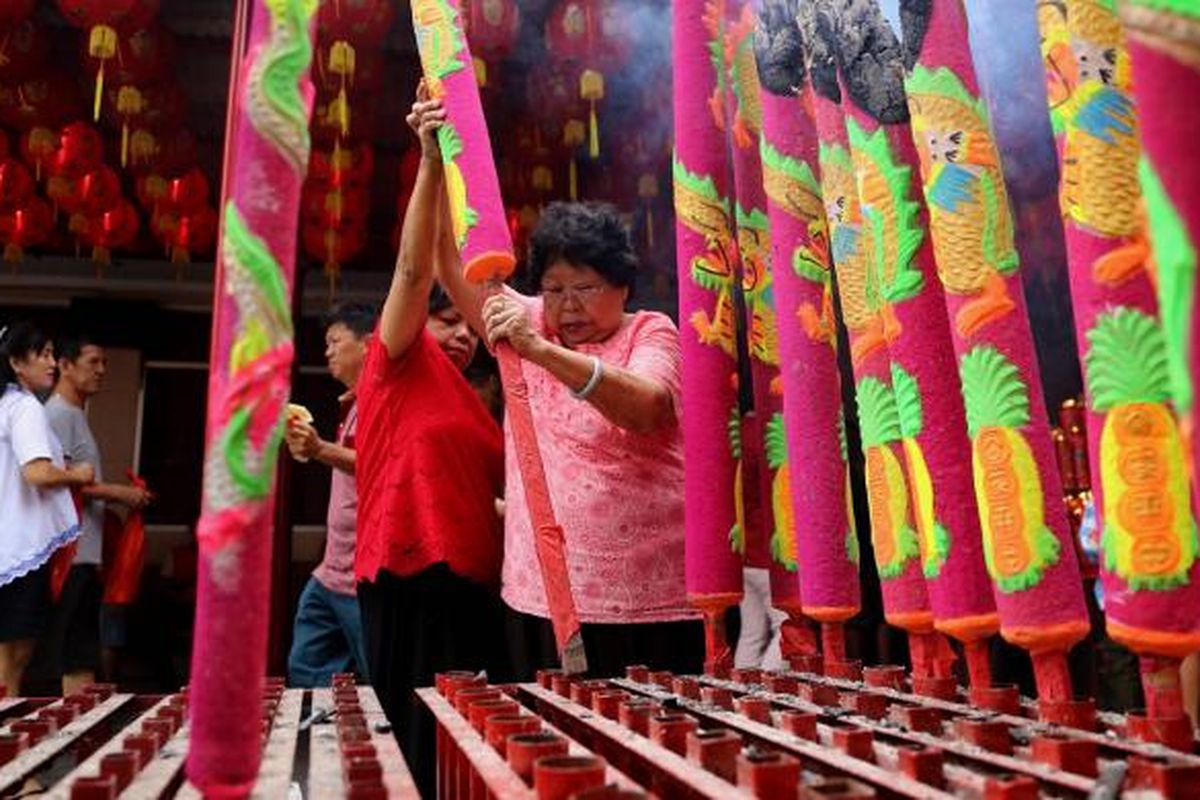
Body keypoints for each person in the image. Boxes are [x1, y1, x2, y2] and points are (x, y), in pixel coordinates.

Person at [413, 107, 703, 679]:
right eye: (552, 290)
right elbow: (450, 262)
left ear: (622, 286)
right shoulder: (529, 322)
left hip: (651, 604)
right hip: (544, 596)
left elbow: (648, 406)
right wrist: (437, 150)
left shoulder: (649, 330)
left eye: (584, 288)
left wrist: (542, 353)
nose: (566, 306)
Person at [354, 80, 505, 793]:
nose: (460, 335)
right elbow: (419, 267)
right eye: (447, 320)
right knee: (413, 751)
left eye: (463, 323)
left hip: (476, 585)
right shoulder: (396, 360)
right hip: (409, 576)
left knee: (470, 749)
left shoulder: (482, 408)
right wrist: (432, 157)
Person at [43, 333, 152, 695]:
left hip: (83, 553)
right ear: (64, 365)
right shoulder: (58, 415)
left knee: (82, 652)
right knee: (73, 652)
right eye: (93, 362)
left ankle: (76, 732)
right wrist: (121, 494)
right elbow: (57, 480)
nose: (102, 371)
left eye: (104, 362)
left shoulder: (74, 415)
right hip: (68, 556)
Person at [284, 302, 376, 687]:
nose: (328, 352)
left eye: (335, 341)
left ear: (369, 345)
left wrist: (319, 448)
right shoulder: (353, 402)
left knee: (379, 676)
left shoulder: (380, 400)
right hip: (331, 571)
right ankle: (326, 743)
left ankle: (378, 746)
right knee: (306, 670)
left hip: (362, 575)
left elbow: (381, 465)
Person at [0, 322, 92, 695]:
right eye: (44, 354)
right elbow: (37, 472)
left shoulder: (6, 404)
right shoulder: (24, 408)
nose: (52, 363)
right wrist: (76, 475)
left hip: (9, 545)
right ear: (17, 363)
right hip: (22, 547)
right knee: (14, 657)